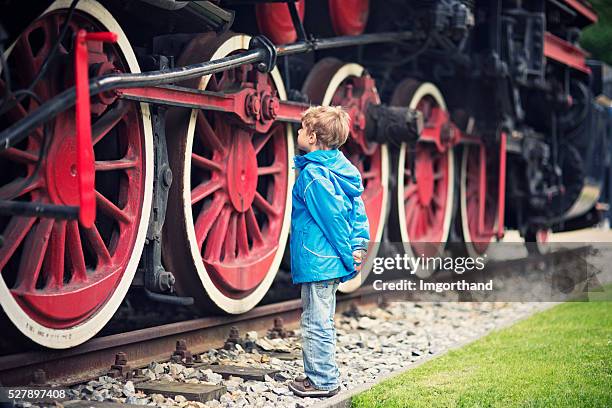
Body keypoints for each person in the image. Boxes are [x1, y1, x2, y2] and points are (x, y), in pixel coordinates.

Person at [288, 105, 370, 398]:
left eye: (301, 128)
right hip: (327, 261)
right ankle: (322, 375)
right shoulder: (341, 169)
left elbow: (333, 220)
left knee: (315, 322)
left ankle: (322, 381)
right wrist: (359, 244)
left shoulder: (313, 176)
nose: (297, 132)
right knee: (320, 319)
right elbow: (357, 211)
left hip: (319, 259)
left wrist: (350, 256)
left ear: (312, 136)